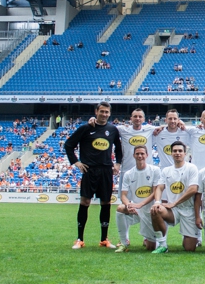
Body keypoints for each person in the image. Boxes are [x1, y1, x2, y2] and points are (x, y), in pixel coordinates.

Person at [64, 101, 122, 249]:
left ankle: (104, 239)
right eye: (101, 111)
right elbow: (68, 145)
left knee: (106, 203)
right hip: (89, 170)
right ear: (96, 112)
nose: (104, 114)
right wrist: (76, 162)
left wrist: (117, 164)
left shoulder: (113, 129)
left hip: (106, 171)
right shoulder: (85, 128)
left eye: (107, 112)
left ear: (110, 114)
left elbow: (119, 149)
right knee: (85, 203)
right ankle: (79, 239)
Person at [150, 141, 199, 253]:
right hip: (173, 210)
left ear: (185, 153)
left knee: (189, 248)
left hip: (188, 210)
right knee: (155, 210)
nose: (177, 153)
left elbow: (193, 189)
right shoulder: (166, 170)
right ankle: (162, 245)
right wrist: (157, 202)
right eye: (175, 151)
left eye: (180, 151)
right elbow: (159, 187)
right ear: (171, 153)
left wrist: (175, 202)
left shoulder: (192, 168)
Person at [114, 146, 162, 252]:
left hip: (151, 210)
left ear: (147, 155)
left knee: (151, 248)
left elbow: (155, 192)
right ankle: (123, 242)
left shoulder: (155, 170)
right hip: (135, 209)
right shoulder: (128, 174)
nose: (140, 156)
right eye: (137, 154)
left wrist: (141, 204)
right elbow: (123, 195)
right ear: (134, 156)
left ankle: (154, 240)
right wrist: (128, 205)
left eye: (142, 153)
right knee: (120, 208)